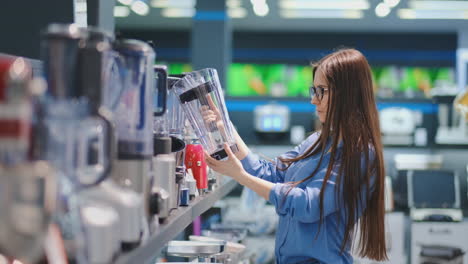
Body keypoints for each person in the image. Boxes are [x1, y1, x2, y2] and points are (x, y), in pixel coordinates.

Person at [204, 48, 387, 264]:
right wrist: (226, 128)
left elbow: (309, 207)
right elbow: (271, 174)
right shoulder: (317, 141)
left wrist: (240, 176)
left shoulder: (360, 154)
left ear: (346, 94)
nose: (314, 100)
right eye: (314, 90)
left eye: (322, 91)